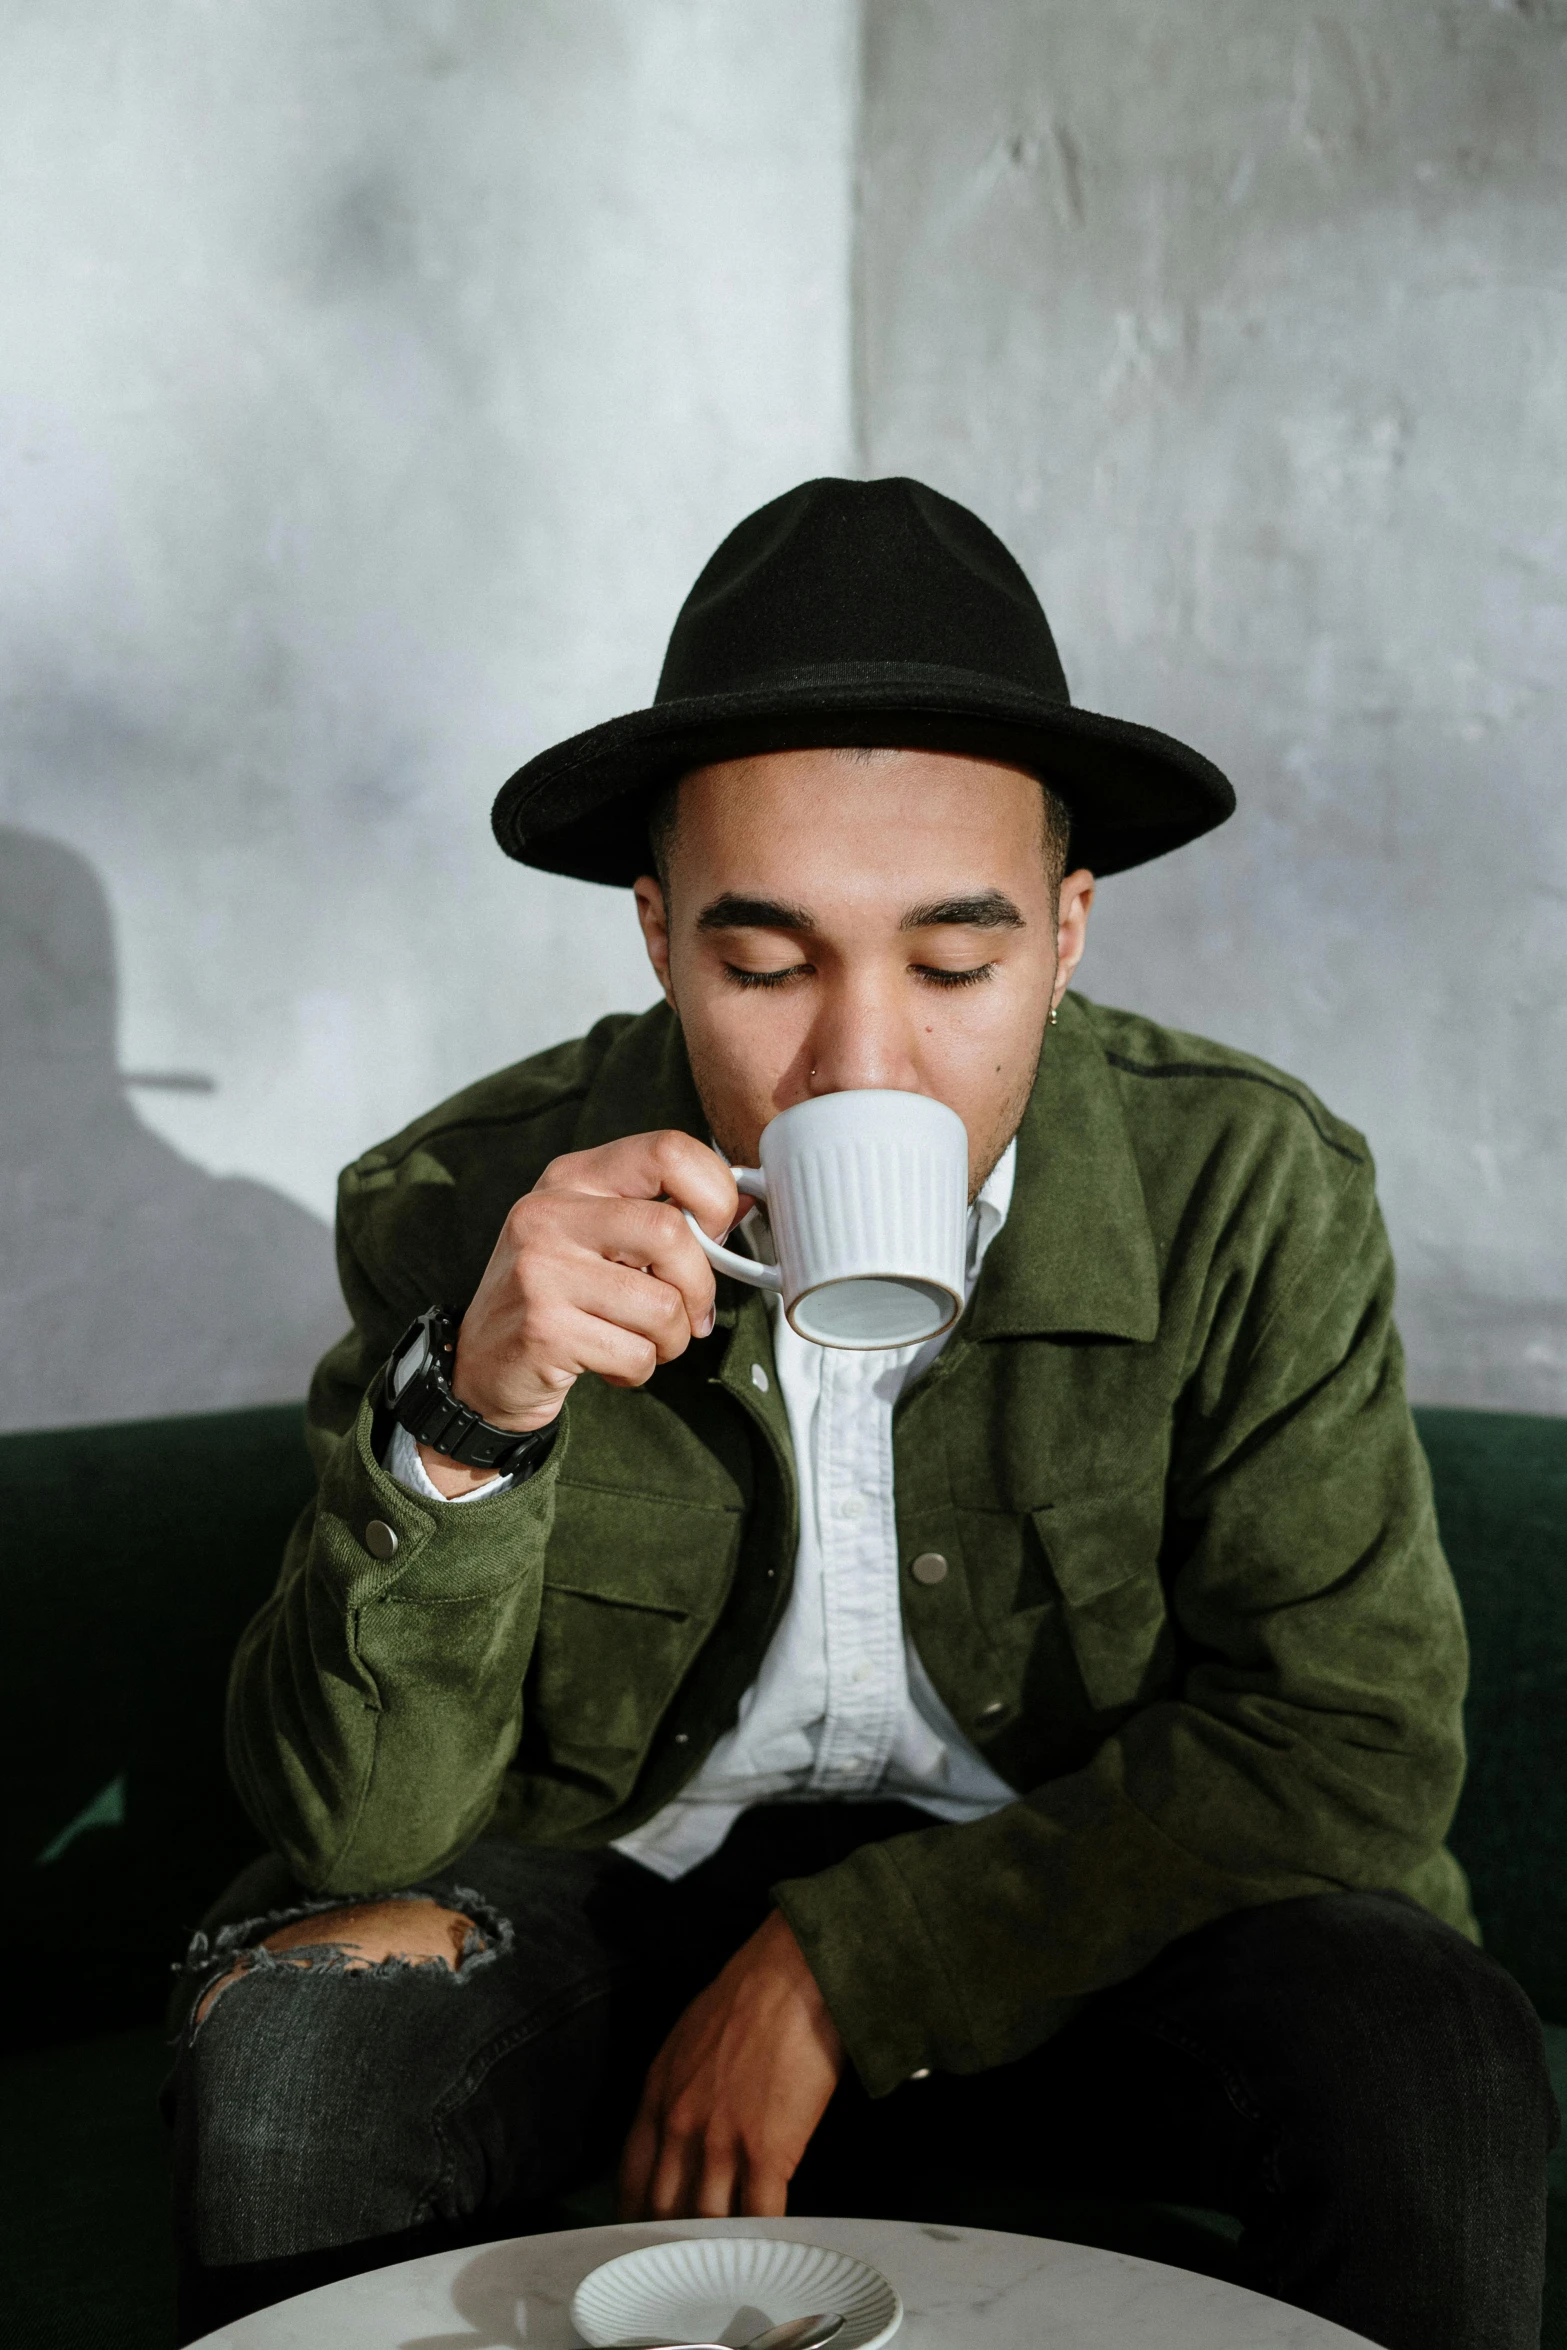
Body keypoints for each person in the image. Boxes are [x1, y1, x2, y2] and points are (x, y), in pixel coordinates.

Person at [169, 478, 1555, 2350]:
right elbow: (356, 1828)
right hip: (617, 1910)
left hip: (1076, 1911)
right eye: (763, 965)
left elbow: (1353, 1736)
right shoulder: (470, 1199)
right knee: (292, 2070)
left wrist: (846, 1966)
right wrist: (477, 1413)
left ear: (1067, 934)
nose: (862, 1058)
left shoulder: (1247, 1185)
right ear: (655, 935)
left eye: (955, 962)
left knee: (1434, 2055)